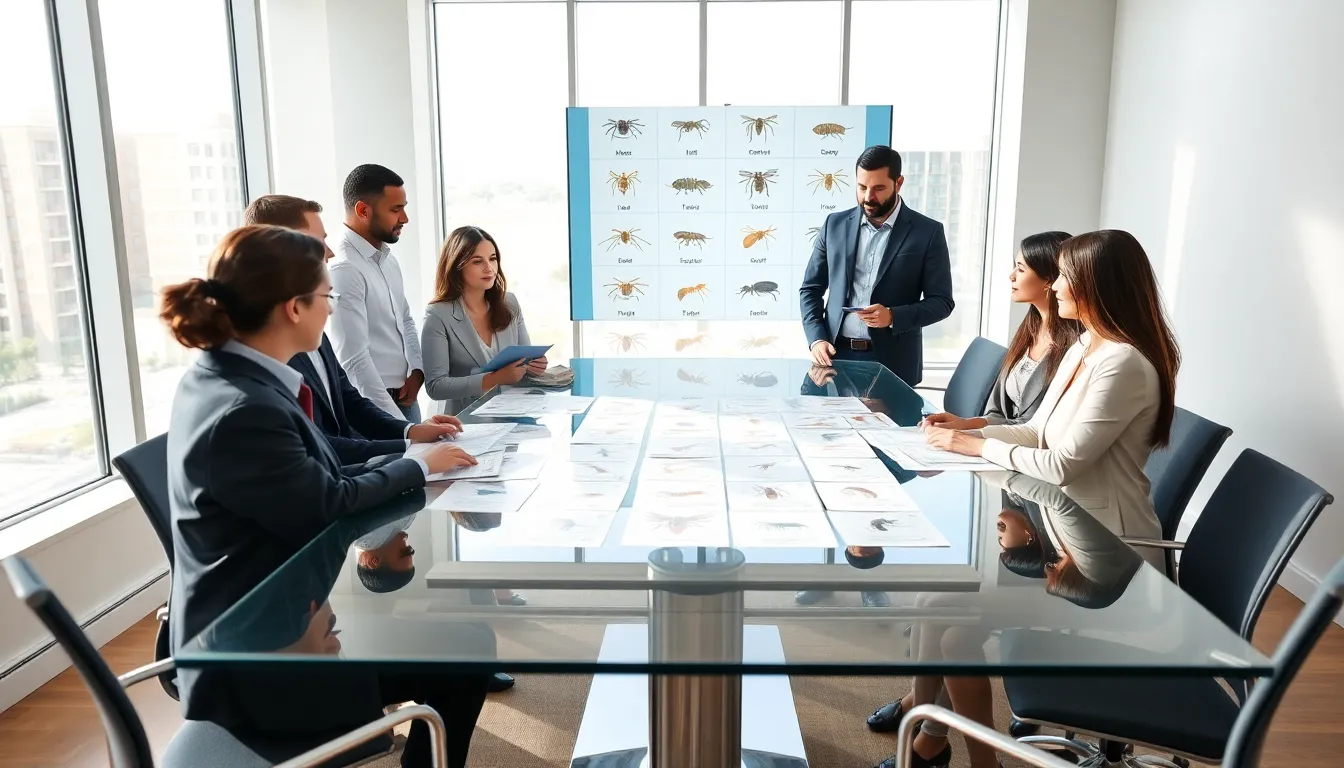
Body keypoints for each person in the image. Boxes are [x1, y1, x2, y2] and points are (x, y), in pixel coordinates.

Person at [159, 224, 486, 767]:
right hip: (258, 666)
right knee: (465, 650)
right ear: (294, 308)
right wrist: (412, 466)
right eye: (326, 298)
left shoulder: (232, 378)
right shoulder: (248, 408)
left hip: (270, 618)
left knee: (461, 645)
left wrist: (408, 456)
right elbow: (328, 502)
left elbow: (317, 472)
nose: (331, 311)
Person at [924, 229, 1180, 542]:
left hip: (1112, 539)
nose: (1054, 286)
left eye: (1063, 276)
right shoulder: (1084, 345)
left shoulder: (1123, 363)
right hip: (1064, 522)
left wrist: (977, 446)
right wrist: (963, 435)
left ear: (1095, 285)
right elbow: (1034, 431)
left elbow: (1062, 466)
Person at [243, 194, 463, 464]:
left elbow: (349, 400)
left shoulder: (310, 327)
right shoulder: (270, 346)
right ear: (280, 246)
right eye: (317, 241)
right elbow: (319, 446)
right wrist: (414, 454)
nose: (329, 251)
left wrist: (412, 432)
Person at [799, 145, 954, 387]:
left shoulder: (928, 232)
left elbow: (942, 302)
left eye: (879, 188)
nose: (868, 197)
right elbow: (810, 289)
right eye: (862, 187)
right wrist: (816, 339)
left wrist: (893, 316)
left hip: (894, 364)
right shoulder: (834, 225)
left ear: (898, 183)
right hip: (835, 361)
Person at [919, 231, 1081, 429]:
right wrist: (962, 424)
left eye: (1020, 269)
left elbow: (1034, 429)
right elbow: (997, 412)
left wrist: (967, 434)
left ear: (1049, 279)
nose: (1011, 276)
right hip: (999, 441)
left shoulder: (1077, 347)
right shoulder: (1029, 330)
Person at [328, 164, 426, 421]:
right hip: (373, 407)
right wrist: (398, 424)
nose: (404, 218)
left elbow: (405, 320)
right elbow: (354, 361)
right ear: (363, 210)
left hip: (405, 397)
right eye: (396, 210)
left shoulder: (387, 259)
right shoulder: (345, 268)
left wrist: (417, 370)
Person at [421, 225, 546, 412]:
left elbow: (522, 363)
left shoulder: (509, 302)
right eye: (477, 262)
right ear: (457, 265)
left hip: (514, 415)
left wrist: (535, 365)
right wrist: (494, 379)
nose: (489, 268)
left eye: (493, 259)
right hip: (467, 423)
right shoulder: (438, 314)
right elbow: (436, 387)